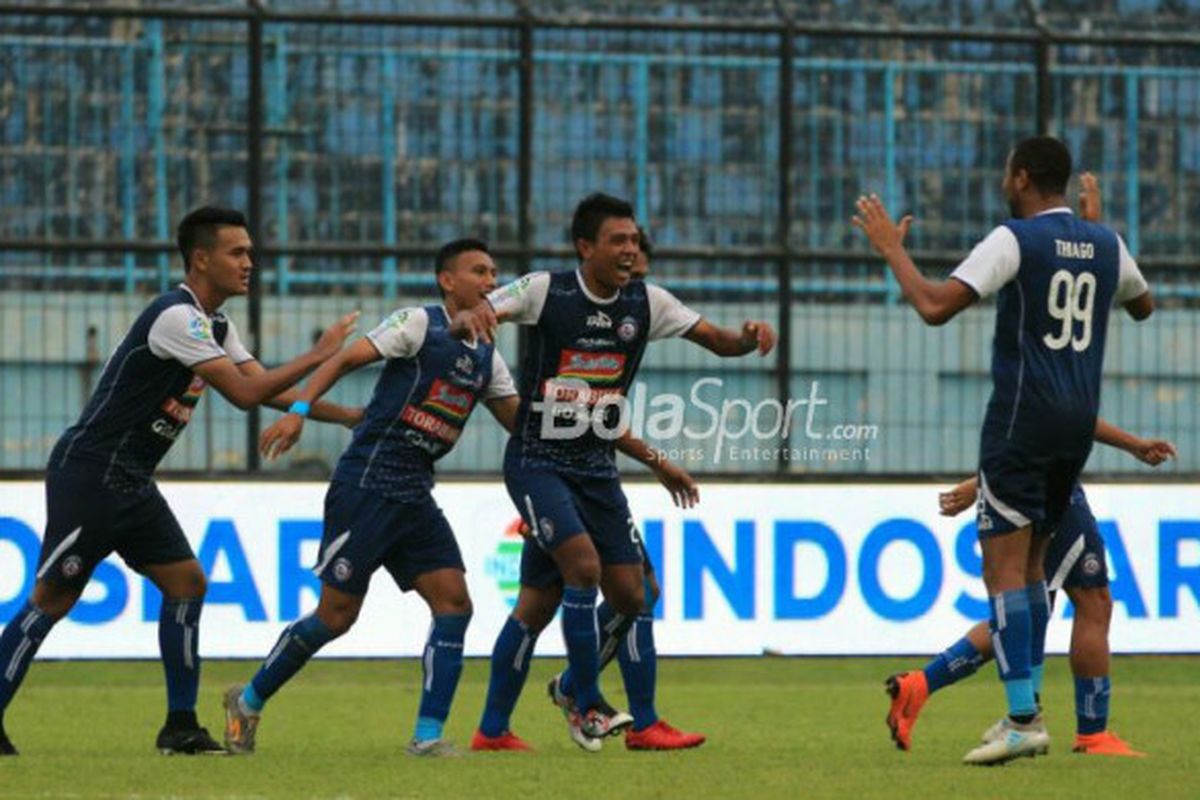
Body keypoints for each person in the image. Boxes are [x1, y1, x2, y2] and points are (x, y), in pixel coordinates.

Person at [0, 206, 359, 756]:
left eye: (249, 251)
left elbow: (260, 383)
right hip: (93, 472)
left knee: (187, 582)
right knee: (51, 598)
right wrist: (320, 353)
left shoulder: (215, 325)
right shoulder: (177, 317)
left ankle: (180, 727)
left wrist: (347, 415)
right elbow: (246, 396)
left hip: (132, 479)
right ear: (201, 258)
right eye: (236, 252)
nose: (249, 262)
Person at [853, 137, 1153, 764]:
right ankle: (1028, 713)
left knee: (1005, 574)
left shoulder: (1015, 238)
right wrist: (1097, 240)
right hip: (1076, 432)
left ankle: (1023, 718)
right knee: (1036, 571)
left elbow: (935, 306)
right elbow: (1144, 306)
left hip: (1021, 424)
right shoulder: (1106, 243)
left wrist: (892, 251)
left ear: (1019, 177)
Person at [457, 193, 776, 752]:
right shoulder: (543, 289)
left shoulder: (647, 302)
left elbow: (720, 342)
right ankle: (591, 706)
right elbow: (480, 310)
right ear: (586, 247)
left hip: (596, 469)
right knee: (582, 568)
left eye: (634, 239)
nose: (630, 249)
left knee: (626, 596)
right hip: (538, 462)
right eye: (618, 241)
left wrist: (747, 340)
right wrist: (477, 314)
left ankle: (495, 729)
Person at [221, 239, 520, 757]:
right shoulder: (418, 324)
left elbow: (519, 424)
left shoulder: (489, 357)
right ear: (448, 281)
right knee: (336, 617)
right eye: (479, 271)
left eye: (495, 273)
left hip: (415, 495)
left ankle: (427, 736)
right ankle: (246, 701)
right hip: (367, 485)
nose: (491, 281)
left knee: (455, 604)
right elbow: (345, 359)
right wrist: (297, 408)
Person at [887, 417, 1174, 758]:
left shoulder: (1024, 371)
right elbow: (1059, 420)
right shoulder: (1052, 368)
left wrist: (979, 484)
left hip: (1038, 488)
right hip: (1053, 493)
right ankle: (1091, 734)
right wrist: (1133, 444)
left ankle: (920, 685)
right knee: (1094, 602)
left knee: (1029, 608)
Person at [543, 225, 706, 750]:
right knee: (538, 604)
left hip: (595, 476)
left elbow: (603, 417)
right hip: (551, 471)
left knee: (641, 591)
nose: (636, 270)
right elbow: (584, 409)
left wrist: (660, 463)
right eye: (628, 258)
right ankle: (572, 697)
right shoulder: (573, 314)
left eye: (640, 262)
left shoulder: (637, 316)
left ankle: (581, 691)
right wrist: (660, 462)